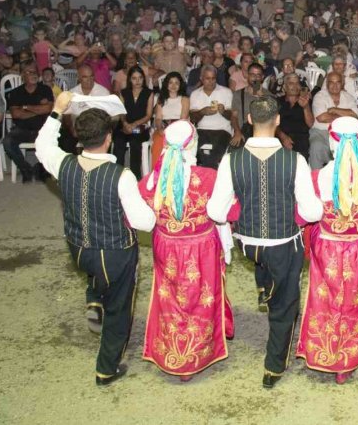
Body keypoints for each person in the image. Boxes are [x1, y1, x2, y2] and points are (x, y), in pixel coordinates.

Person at [35, 91, 156, 385]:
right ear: (108, 138)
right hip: (114, 253)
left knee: (96, 274)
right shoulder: (121, 175)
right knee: (119, 309)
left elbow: (42, 146)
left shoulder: (62, 163)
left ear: (78, 136)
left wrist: (56, 111)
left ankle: (94, 299)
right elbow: (145, 222)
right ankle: (107, 367)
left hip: (78, 248)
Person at [207, 94, 323, 389]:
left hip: (247, 242)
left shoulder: (231, 159)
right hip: (283, 242)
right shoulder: (294, 159)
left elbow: (216, 212)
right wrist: (292, 215)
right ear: (278, 120)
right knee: (285, 305)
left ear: (248, 120)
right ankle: (273, 366)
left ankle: (264, 285)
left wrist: (240, 209)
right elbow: (311, 212)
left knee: (265, 262)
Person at [295, 117, 358, 384]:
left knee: (325, 301)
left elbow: (306, 215)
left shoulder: (317, 177)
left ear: (330, 141)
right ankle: (346, 362)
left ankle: (325, 352)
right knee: (354, 303)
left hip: (327, 249)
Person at [138, 121, 235, 381]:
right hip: (201, 247)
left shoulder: (150, 182)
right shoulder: (208, 177)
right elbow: (228, 210)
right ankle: (197, 352)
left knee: (170, 297)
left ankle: (173, 350)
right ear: (192, 144)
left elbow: (139, 216)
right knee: (202, 295)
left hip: (166, 246)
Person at [4, 65, 54, 183]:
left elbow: (48, 109)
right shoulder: (16, 92)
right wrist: (39, 109)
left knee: (54, 140)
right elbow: (16, 114)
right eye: (29, 72)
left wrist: (26, 107)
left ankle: (39, 168)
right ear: (23, 76)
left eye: (35, 72)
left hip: (42, 128)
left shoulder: (45, 89)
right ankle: (25, 168)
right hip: (22, 128)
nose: (33, 74)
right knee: (7, 142)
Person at [308, 71, 358, 169]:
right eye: (331, 82)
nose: (335, 86)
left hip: (343, 134)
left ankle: (343, 181)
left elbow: (355, 115)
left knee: (350, 149)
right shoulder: (319, 96)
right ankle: (315, 179)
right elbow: (321, 118)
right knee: (316, 147)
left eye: (338, 82)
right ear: (327, 84)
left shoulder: (348, 97)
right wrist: (345, 117)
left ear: (342, 84)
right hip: (321, 133)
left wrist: (334, 110)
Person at [190, 65, 234, 169]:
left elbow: (232, 117)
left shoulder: (226, 92)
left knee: (214, 152)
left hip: (222, 130)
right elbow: (193, 119)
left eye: (213, 78)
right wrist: (202, 112)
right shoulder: (195, 94)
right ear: (201, 78)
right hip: (202, 130)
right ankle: (210, 174)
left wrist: (223, 111)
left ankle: (209, 175)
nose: (211, 81)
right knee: (202, 153)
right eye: (207, 78)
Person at [113, 67, 153, 179]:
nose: (137, 81)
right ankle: (117, 176)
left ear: (143, 79)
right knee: (118, 140)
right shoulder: (124, 92)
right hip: (125, 125)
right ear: (129, 79)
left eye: (140, 78)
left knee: (135, 142)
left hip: (140, 126)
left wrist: (134, 124)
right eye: (134, 78)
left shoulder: (148, 93)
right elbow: (121, 112)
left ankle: (135, 177)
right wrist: (125, 123)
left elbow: (148, 115)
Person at [151, 72, 190, 166]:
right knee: (158, 139)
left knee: (176, 141)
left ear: (180, 85)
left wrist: (171, 131)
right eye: (170, 82)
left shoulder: (184, 99)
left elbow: (183, 119)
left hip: (179, 129)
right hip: (163, 128)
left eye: (176, 83)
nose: (173, 85)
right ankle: (157, 173)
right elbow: (158, 118)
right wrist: (160, 129)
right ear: (166, 84)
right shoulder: (161, 99)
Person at [276, 73, 314, 160]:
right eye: (291, 83)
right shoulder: (278, 102)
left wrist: (305, 107)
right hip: (280, 137)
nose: (295, 86)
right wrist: (282, 136)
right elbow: (272, 123)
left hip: (301, 139)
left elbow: (311, 124)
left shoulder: (306, 101)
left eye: (297, 83)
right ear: (285, 87)